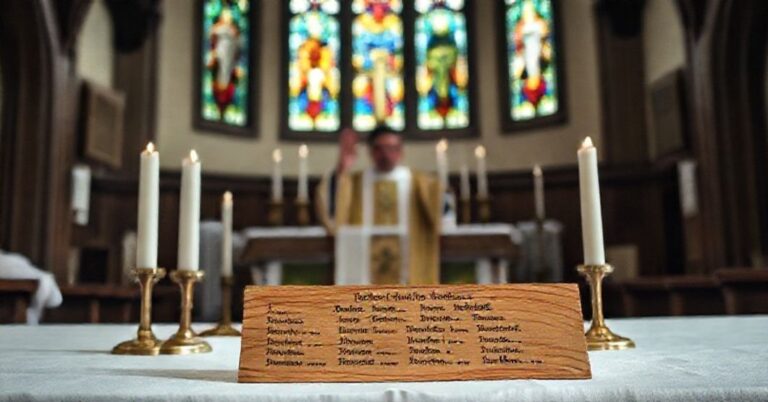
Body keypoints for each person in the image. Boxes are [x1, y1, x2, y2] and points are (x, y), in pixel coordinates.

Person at [316, 127, 442, 285]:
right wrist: (342, 168)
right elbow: (332, 206)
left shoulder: (420, 183)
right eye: (379, 149)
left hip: (409, 268)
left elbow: (440, 210)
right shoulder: (354, 183)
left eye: (392, 148)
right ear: (370, 152)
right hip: (364, 271)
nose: (386, 154)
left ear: (401, 152)